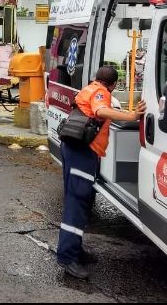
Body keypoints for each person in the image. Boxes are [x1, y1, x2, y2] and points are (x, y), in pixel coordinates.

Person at [56, 66, 146, 280]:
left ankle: (75, 250)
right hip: (82, 152)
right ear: (113, 85)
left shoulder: (88, 88)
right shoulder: (100, 92)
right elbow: (100, 111)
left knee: (79, 202)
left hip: (73, 148)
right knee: (77, 204)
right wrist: (131, 115)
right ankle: (68, 257)